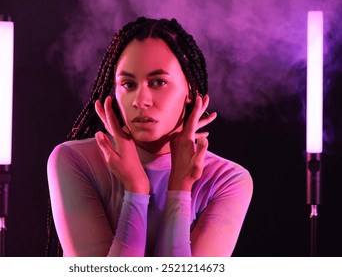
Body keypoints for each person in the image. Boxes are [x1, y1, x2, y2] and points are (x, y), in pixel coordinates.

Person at [46, 17, 253, 257]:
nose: (140, 101)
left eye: (158, 82)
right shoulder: (75, 160)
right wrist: (136, 189)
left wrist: (180, 186)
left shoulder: (228, 180)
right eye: (128, 84)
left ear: (191, 91)